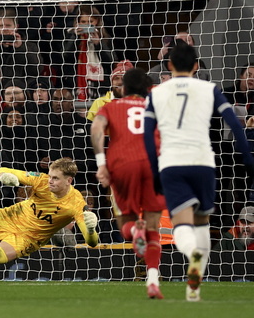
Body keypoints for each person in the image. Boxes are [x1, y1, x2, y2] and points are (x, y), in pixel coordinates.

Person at [143, 41, 254, 302]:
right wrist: (248, 158)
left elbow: (147, 135)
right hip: (203, 163)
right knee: (203, 223)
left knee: (181, 223)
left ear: (169, 65)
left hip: (172, 163)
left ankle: (191, 252)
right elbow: (235, 126)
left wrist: (153, 167)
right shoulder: (209, 89)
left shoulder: (157, 93)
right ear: (196, 66)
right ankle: (194, 289)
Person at [91, 67, 166, 299]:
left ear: (124, 88)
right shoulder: (157, 107)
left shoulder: (111, 106)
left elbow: (96, 128)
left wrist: (101, 163)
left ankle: (135, 230)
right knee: (154, 227)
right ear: (148, 88)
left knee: (126, 225)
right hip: (154, 165)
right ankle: (153, 280)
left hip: (123, 164)